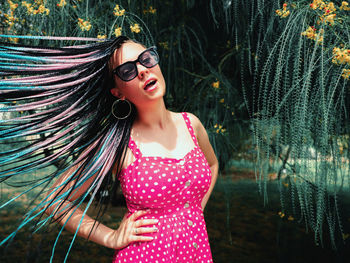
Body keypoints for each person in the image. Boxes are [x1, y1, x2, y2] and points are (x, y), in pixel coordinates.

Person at [1, 35, 218, 262]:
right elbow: (54, 201)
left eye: (146, 59)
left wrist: (194, 209)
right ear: (118, 92)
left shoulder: (191, 124)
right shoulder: (117, 143)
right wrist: (110, 237)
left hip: (196, 253)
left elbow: (212, 165)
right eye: (127, 71)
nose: (142, 70)